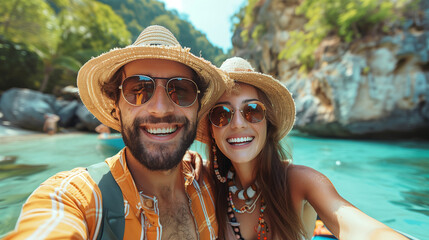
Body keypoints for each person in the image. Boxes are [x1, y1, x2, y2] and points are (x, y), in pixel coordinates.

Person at [4, 25, 227, 239]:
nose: (160, 109)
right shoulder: (74, 199)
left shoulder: (211, 181)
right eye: (139, 90)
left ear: (197, 107)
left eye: (181, 91)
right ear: (116, 109)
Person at [196, 57, 409, 240]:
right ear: (212, 130)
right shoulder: (204, 182)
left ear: (268, 123)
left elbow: (361, 228)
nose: (238, 123)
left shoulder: (301, 182)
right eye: (221, 114)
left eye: (252, 110)